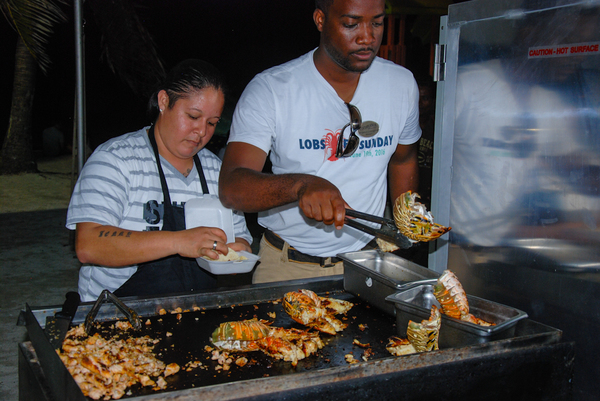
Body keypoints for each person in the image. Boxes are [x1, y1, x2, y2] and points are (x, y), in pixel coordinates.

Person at [219, 0, 421, 283]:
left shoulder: (401, 85)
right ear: (320, 20)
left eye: (376, 22)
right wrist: (301, 185)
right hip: (286, 265)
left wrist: (405, 225)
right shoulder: (272, 89)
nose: (367, 37)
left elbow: (404, 158)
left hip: (370, 264)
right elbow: (232, 186)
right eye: (351, 24)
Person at [66, 59, 252, 302]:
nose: (201, 132)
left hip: (195, 308)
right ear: (164, 101)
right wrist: (179, 241)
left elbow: (241, 239)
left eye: (211, 123)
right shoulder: (115, 159)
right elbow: (89, 245)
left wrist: (238, 251)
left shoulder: (217, 170)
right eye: (193, 116)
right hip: (116, 313)